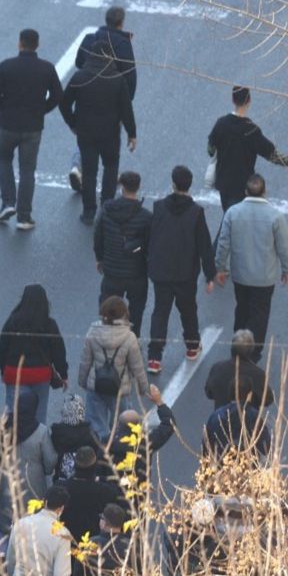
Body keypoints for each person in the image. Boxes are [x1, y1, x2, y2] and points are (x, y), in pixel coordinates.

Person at [0, 28, 63, 230]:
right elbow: (57, 95)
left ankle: (8, 203)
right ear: (37, 45)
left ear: (20, 43)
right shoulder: (46, 68)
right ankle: (24, 216)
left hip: (8, 125)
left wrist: (3, 108)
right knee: (27, 170)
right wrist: (42, 110)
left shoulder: (7, 66)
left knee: (4, 160)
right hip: (33, 127)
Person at [147, 166, 216, 372]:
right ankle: (192, 346)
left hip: (161, 272)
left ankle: (154, 357)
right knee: (188, 310)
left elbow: (152, 236)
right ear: (190, 185)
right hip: (186, 273)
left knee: (160, 312)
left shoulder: (158, 207)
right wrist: (210, 275)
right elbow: (204, 245)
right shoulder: (196, 212)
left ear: (173, 184)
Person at [60, 43, 138, 225]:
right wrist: (131, 134)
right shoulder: (117, 79)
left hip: (86, 133)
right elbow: (126, 110)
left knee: (89, 172)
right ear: (109, 57)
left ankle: (88, 211)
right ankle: (107, 208)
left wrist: (73, 123)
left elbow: (64, 103)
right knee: (110, 168)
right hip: (110, 133)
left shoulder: (80, 77)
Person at [215, 173, 288, 356]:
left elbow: (223, 243)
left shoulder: (233, 212)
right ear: (265, 192)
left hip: (241, 275)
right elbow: (283, 248)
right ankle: (252, 352)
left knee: (242, 310)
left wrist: (220, 268)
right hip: (264, 278)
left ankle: (238, 345)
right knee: (259, 316)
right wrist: (286, 269)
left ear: (246, 191)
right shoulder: (276, 216)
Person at [77, 296, 149, 440]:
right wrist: (143, 388)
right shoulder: (129, 337)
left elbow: (85, 360)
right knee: (123, 425)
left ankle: (101, 450)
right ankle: (117, 449)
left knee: (96, 425)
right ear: (124, 315)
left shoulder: (93, 332)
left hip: (96, 386)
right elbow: (137, 367)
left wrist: (83, 381)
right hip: (120, 389)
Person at [207, 86, 288, 211]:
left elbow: (210, 150)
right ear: (249, 101)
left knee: (228, 217)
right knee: (237, 221)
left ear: (233, 100)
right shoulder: (251, 130)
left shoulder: (221, 124)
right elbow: (272, 155)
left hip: (224, 184)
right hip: (243, 187)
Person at [0, 284, 68, 422]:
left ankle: (11, 441)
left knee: (13, 415)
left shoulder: (12, 322)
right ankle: (37, 441)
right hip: (40, 374)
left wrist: (2, 371)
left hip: (14, 373)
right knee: (39, 415)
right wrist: (63, 374)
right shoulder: (49, 324)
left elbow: (3, 348)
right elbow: (58, 351)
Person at [0, 390, 58, 536]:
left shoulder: (3, 426)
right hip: (33, 486)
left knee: (6, 526)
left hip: (6, 485)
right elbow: (50, 462)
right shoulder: (41, 432)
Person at [94, 170, 151, 338]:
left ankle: (109, 338)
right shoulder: (146, 217)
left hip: (112, 271)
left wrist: (99, 259)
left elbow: (98, 236)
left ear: (121, 186)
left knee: (108, 308)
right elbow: (150, 245)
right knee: (137, 310)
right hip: (137, 273)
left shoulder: (107, 210)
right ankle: (133, 339)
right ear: (138, 187)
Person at [5, 485, 72, 576]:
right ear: (61, 508)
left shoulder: (21, 524)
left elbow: (11, 560)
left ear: (44, 502)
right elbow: (61, 573)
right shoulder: (63, 534)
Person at [60, 447, 120, 542]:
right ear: (95, 466)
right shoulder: (105, 490)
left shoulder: (61, 488)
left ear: (75, 465)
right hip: (93, 542)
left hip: (67, 541)